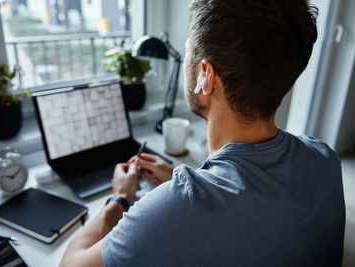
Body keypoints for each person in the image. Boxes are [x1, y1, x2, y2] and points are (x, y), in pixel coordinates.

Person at [60, 0, 345, 266]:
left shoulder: (174, 212)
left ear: (205, 76)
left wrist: (119, 199)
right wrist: (180, 179)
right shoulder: (325, 159)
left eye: (188, 50)